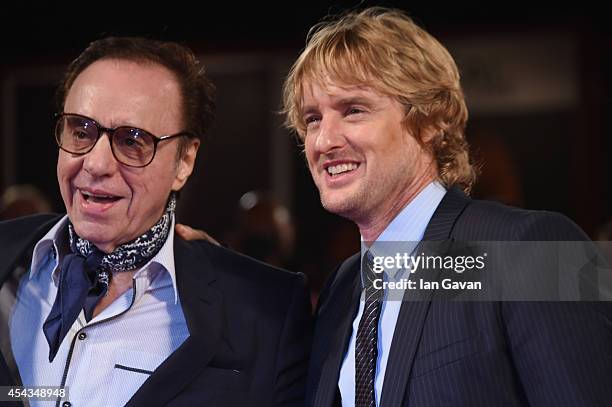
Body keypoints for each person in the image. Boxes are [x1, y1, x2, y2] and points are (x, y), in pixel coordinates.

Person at [280, 7, 612, 406]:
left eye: (353, 110)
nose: (323, 141)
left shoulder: (530, 249)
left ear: (430, 120)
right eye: (313, 119)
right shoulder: (342, 288)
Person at [0, 37, 311, 407]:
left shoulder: (264, 309)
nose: (96, 164)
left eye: (132, 141)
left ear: (184, 162)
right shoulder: (8, 258)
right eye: (81, 131)